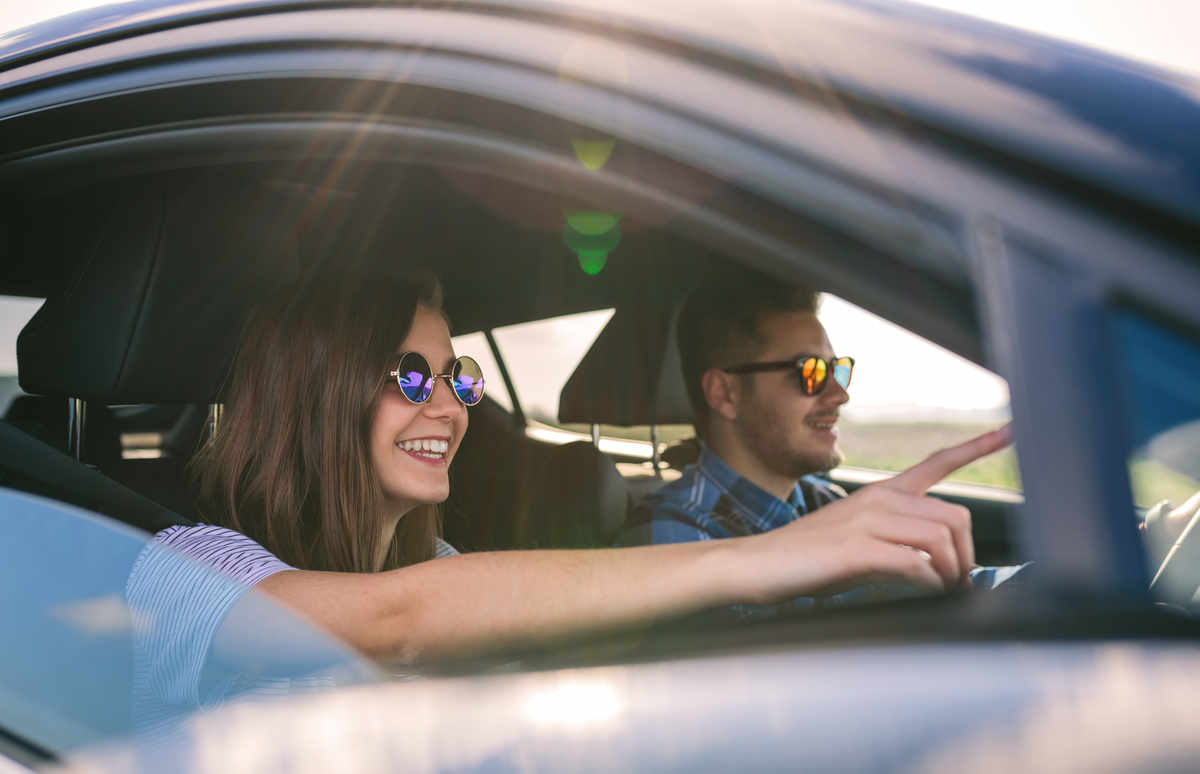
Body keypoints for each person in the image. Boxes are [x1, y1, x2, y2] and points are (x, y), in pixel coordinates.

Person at [128, 268, 1009, 675]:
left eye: (459, 377)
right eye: (409, 376)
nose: (450, 406)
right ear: (315, 394)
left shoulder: (431, 571)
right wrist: (775, 557)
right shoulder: (185, 572)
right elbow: (395, 626)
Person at [615, 273, 1019, 602]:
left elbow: (946, 588)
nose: (840, 395)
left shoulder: (821, 501)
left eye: (837, 369)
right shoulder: (669, 540)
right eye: (810, 372)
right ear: (725, 393)